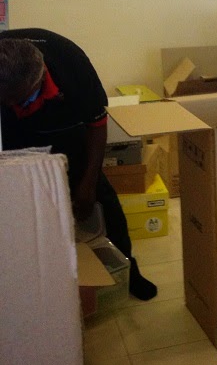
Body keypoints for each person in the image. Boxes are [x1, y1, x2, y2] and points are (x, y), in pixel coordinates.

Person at [0, 29, 157, 300]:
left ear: (41, 77)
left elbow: (97, 125)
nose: (14, 105)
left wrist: (88, 183)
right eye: (6, 100)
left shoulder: (72, 66)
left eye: (21, 99)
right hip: (12, 138)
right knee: (20, 210)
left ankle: (129, 271)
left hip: (68, 132)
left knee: (103, 203)